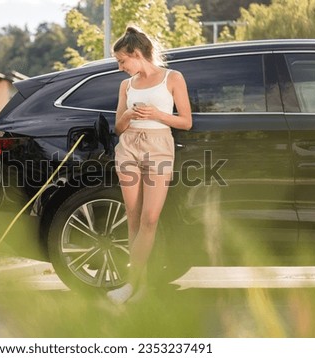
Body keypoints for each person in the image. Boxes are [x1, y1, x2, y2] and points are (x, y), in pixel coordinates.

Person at [107, 26, 192, 305]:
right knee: (132, 217)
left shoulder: (172, 78)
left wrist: (157, 114)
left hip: (158, 148)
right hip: (129, 147)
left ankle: (136, 284)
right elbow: (118, 127)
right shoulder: (126, 86)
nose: (120, 67)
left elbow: (186, 122)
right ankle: (135, 286)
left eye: (122, 61)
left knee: (150, 219)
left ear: (136, 53)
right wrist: (130, 113)